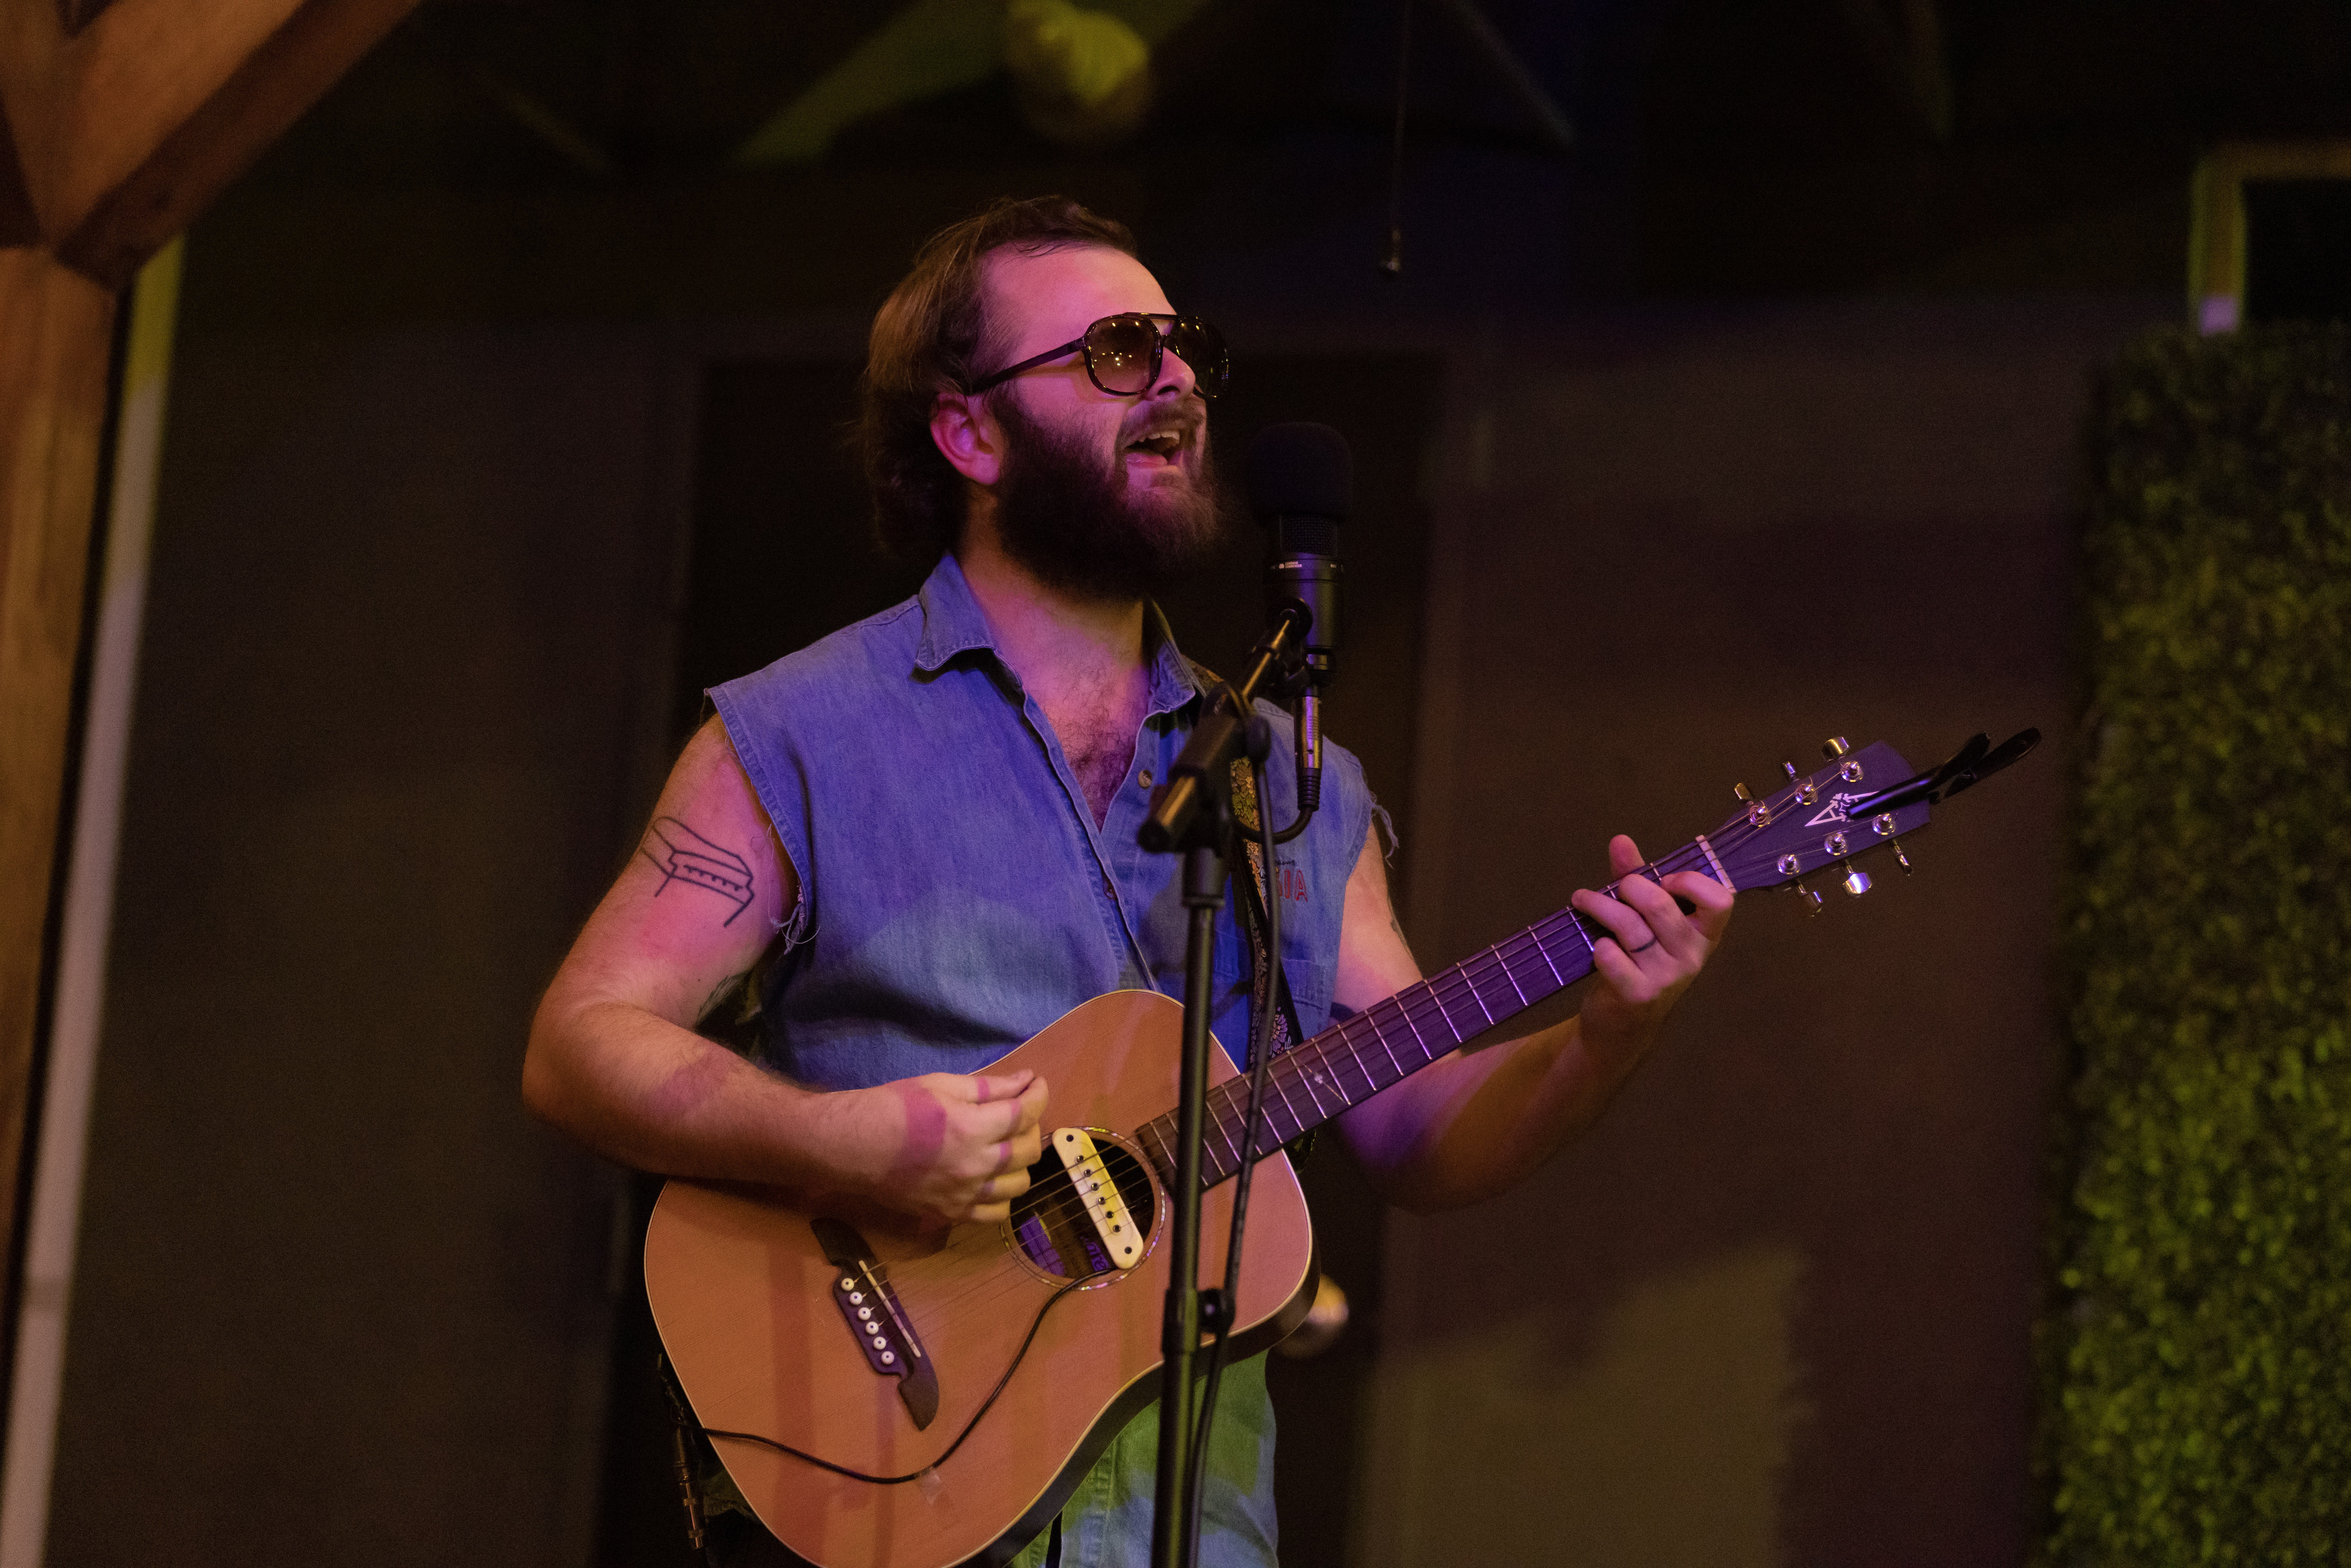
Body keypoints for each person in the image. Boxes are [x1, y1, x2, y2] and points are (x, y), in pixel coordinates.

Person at [521, 195, 1734, 1567]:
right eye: (1111, 352)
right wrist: (847, 1145)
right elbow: (581, 1046)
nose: (1170, 381)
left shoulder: (1296, 780)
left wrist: (1603, 1038)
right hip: (876, 1495)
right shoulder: (805, 729)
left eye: (1180, 349)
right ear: (968, 431)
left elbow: (1413, 1126)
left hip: (1191, 1531)